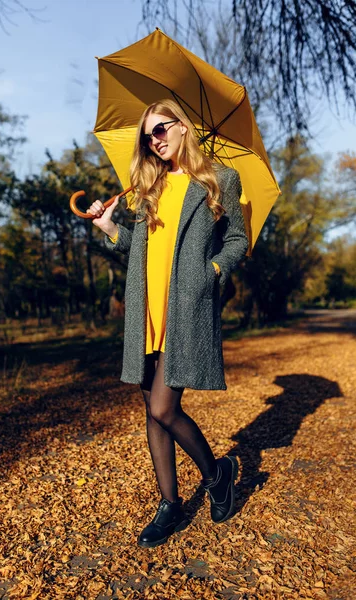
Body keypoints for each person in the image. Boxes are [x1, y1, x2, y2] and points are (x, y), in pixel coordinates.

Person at [87, 99, 248, 548]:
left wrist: (212, 271)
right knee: (151, 413)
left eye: (159, 129)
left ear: (182, 127)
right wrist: (109, 227)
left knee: (163, 407)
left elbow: (238, 239)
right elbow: (141, 245)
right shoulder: (149, 187)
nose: (153, 140)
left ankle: (217, 476)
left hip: (185, 307)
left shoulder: (220, 180)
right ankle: (170, 505)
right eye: (147, 136)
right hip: (146, 309)